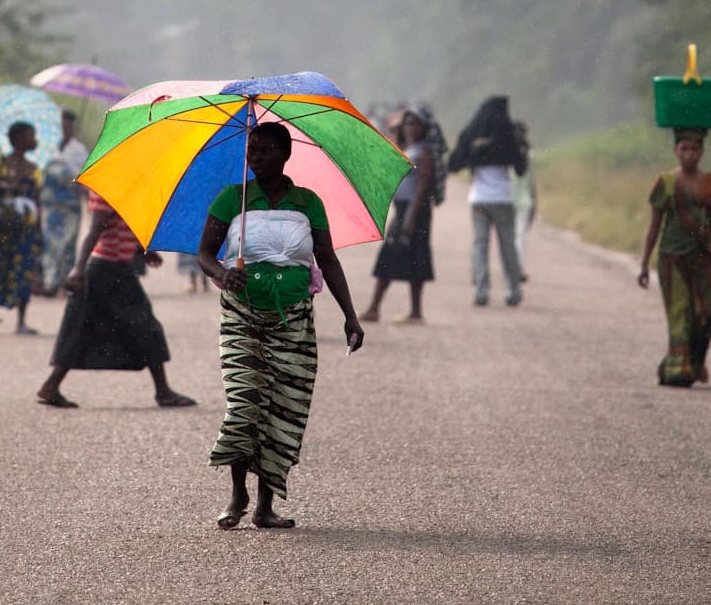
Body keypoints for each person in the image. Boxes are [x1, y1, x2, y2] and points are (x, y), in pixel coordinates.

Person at [197, 121, 364, 531]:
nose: (255, 156)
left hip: (294, 320)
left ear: (286, 154)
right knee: (246, 401)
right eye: (251, 149)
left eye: (265, 149)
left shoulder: (308, 202)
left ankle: (265, 506)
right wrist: (221, 271)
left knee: (282, 408)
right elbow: (203, 253)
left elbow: (327, 259)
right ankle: (238, 492)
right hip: (242, 315)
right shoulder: (231, 198)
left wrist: (350, 314)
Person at [36, 189, 196, 409]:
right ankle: (163, 392)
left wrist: (141, 250)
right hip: (106, 270)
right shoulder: (106, 192)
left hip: (115, 268)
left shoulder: (123, 191)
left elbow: (120, 225)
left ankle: (51, 386)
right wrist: (79, 269)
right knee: (146, 327)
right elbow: (94, 230)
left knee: (83, 329)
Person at [636, 127, 711, 386]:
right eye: (684, 149)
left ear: (702, 151)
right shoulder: (665, 183)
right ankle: (677, 370)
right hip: (671, 257)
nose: (689, 154)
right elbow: (654, 225)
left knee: (707, 314)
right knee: (680, 313)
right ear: (675, 151)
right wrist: (644, 264)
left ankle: (694, 362)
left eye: (694, 149)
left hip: (705, 256)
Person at [449, 95, 528, 307]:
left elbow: (454, 163)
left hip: (479, 199)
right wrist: (523, 148)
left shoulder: (473, 134)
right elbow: (520, 170)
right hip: (503, 198)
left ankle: (481, 289)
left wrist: (476, 153)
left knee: (480, 244)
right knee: (507, 245)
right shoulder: (509, 136)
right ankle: (513, 289)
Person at [361, 107, 436, 323]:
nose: (410, 128)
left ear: (423, 127)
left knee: (403, 255)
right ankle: (405, 311)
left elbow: (422, 186)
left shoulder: (423, 152)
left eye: (414, 124)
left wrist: (410, 218)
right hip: (404, 209)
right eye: (408, 124)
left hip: (414, 211)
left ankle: (382, 309)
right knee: (404, 256)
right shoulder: (408, 147)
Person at [0, 121, 44, 336]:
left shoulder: (34, 169)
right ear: (17, 138)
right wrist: (0, 186)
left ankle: (21, 321)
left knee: (24, 272)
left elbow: (37, 203)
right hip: (2, 229)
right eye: (30, 135)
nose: (33, 139)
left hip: (25, 230)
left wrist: (39, 234)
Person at [37, 109, 90, 296]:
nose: (65, 129)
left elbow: (84, 179)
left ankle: (65, 283)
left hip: (71, 206)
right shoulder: (45, 149)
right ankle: (51, 281)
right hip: (50, 206)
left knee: (68, 243)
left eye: (68, 126)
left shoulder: (79, 150)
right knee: (51, 244)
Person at [510, 119, 537, 284]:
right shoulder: (530, 154)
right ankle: (518, 268)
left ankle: (510, 267)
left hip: (507, 198)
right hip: (525, 200)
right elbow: (532, 182)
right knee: (520, 237)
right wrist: (536, 204)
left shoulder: (506, 153)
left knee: (509, 237)